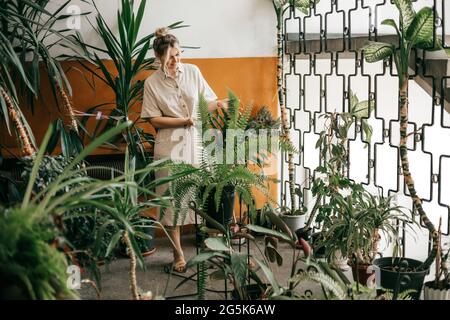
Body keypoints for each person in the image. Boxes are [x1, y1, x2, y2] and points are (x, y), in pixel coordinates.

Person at [141, 28, 228, 272]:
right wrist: (183, 121)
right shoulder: (151, 83)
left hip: (197, 144)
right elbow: (154, 120)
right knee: (172, 203)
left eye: (178, 54)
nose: (176, 61)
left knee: (207, 193)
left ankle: (211, 242)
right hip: (169, 146)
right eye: (170, 57)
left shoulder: (192, 71)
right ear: (159, 58)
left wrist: (219, 103)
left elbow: (205, 102)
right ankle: (178, 253)